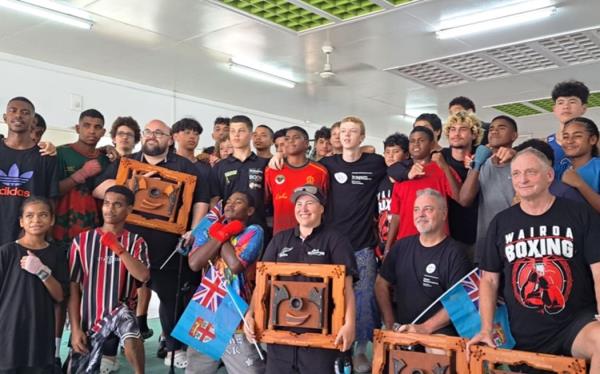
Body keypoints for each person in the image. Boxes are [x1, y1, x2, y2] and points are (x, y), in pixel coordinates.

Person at [468, 148, 600, 371]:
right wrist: (486, 328)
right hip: (523, 332)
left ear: (549, 176)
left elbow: (598, 271)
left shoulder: (579, 214)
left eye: (531, 172)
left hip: (575, 324)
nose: (523, 179)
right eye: (517, 174)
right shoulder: (501, 222)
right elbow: (489, 281)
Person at [93, 119, 210, 367]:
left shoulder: (187, 167)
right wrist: (130, 184)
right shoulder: (126, 164)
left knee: (172, 300)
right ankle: (109, 354)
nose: (152, 136)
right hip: (127, 245)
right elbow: (99, 189)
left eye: (159, 132)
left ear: (170, 138)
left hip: (169, 247)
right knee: (117, 299)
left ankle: (174, 348)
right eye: (148, 132)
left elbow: (201, 201)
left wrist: (194, 230)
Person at [244, 185, 357, 374]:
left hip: (321, 338)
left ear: (322, 208)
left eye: (310, 203)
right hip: (280, 336)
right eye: (299, 203)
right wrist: (251, 314)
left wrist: (350, 324)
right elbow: (262, 283)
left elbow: (347, 287)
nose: (303, 208)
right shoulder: (280, 240)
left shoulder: (336, 240)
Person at [319, 116, 386, 372]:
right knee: (331, 298)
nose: (346, 135)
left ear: (362, 137)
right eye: (343, 131)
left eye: (353, 131)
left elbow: (398, 169)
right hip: (331, 247)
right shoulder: (326, 165)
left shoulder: (375, 163)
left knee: (365, 298)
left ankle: (360, 349)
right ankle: (336, 345)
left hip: (362, 245)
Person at [68, 185, 149, 374]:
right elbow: (73, 287)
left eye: (117, 205)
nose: (110, 209)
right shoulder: (82, 241)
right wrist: (75, 328)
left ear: (129, 209)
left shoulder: (136, 241)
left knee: (128, 324)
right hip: (92, 317)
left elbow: (143, 276)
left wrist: (118, 248)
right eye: (106, 203)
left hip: (121, 307)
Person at [186, 191, 265, 374]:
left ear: (250, 210)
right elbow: (195, 263)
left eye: (238, 202)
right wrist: (220, 234)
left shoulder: (254, 231)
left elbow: (235, 265)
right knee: (197, 369)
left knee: (248, 370)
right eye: (228, 201)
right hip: (206, 310)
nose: (230, 204)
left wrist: (222, 235)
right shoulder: (210, 231)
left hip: (236, 311)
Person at [376, 189, 471, 334]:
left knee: (435, 350)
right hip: (402, 332)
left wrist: (425, 328)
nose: (420, 214)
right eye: (416, 210)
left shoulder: (455, 254)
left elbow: (459, 300)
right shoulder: (401, 246)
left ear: (444, 214)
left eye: (428, 209)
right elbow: (380, 284)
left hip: (439, 332)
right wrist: (390, 324)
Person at [0, 196, 67, 373]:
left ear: (52, 219)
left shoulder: (57, 253)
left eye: (43, 215)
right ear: (21, 222)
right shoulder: (7, 252)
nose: (36, 220)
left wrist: (41, 271)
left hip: (40, 331)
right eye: (29, 216)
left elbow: (60, 295)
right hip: (8, 332)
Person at [386, 126, 460, 249]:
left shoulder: (441, 169)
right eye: (412, 141)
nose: (416, 144)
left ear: (431, 144)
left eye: (421, 140)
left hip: (436, 243)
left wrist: (445, 168)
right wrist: (388, 247)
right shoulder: (402, 174)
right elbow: (396, 215)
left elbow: (460, 197)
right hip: (405, 243)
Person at [457, 115, 518, 262]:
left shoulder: (521, 161)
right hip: (488, 240)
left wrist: (517, 154)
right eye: (491, 129)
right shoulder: (481, 163)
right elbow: (464, 200)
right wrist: (477, 164)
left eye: (501, 128)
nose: (494, 131)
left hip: (516, 238)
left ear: (514, 135)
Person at [0, 97, 60, 246]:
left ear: (33, 120)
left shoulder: (46, 156)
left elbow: (51, 199)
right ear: (5, 117)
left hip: (29, 238)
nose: (18, 115)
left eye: (25, 112)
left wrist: (42, 235)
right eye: (13, 111)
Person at [53, 109, 111, 248]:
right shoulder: (60, 153)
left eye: (97, 127)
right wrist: (81, 174)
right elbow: (52, 190)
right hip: (61, 231)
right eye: (86, 125)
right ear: (78, 128)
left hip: (94, 232)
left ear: (103, 132)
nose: (92, 131)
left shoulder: (106, 159)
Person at [210, 115, 270, 234]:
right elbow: (215, 199)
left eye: (241, 131)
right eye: (232, 131)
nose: (236, 135)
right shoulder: (220, 166)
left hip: (259, 228)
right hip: (227, 229)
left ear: (251, 135)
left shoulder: (264, 164)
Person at [265, 126, 329, 235]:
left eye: (296, 137)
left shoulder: (320, 171)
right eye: (287, 138)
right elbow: (265, 202)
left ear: (306, 143)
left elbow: (326, 203)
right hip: (281, 235)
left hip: (313, 235)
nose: (290, 140)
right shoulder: (272, 170)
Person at [547, 80, 589, 179]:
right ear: (554, 109)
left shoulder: (595, 141)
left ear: (584, 108)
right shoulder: (545, 144)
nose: (566, 106)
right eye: (560, 102)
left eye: (572, 102)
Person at [376, 133, 409, 258]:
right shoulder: (381, 179)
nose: (390, 155)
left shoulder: (408, 180)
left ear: (406, 155)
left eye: (396, 151)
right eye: (387, 152)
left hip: (403, 242)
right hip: (383, 242)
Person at [560, 117, 600, 212]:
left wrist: (580, 184)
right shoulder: (559, 169)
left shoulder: (598, 167)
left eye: (577, 136)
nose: (570, 141)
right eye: (565, 137)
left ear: (593, 139)